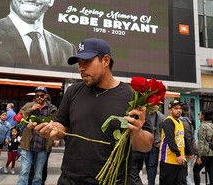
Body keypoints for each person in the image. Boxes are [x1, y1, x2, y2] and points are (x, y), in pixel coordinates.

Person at [34, 38, 153, 184]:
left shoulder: (131, 96)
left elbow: (146, 145)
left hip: (113, 181)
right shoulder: (72, 92)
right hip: (70, 180)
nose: (81, 69)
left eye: (86, 62)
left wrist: (137, 132)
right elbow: (61, 125)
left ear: (106, 60)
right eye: (79, 63)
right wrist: (51, 130)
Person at [17, 86, 58, 185]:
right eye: (37, 95)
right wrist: (31, 109)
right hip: (28, 144)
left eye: (41, 95)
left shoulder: (51, 109)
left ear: (46, 96)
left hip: (43, 145)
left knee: (38, 175)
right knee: (24, 172)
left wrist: (55, 138)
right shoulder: (28, 105)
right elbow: (18, 118)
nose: (39, 97)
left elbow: (56, 124)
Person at [159, 99, 187, 185]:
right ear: (170, 110)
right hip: (168, 160)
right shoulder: (168, 121)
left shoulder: (180, 122)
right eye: (176, 108)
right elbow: (170, 140)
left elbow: (183, 139)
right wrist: (178, 154)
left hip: (180, 160)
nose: (179, 110)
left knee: (182, 182)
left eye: (180, 108)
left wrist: (188, 153)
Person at [144, 109, 165, 185]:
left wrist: (160, 143)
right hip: (146, 143)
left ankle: (151, 183)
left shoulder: (161, 117)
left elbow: (163, 131)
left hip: (155, 144)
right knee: (147, 164)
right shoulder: (144, 114)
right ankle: (150, 180)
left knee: (152, 165)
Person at [193, 108, 213, 185]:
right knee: (210, 170)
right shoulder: (211, 125)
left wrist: (198, 156)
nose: (199, 115)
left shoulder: (203, 126)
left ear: (203, 116)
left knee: (196, 170)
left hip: (205, 153)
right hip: (212, 152)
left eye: (199, 114)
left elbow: (201, 142)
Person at [180, 104, 197, 185]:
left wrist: (190, 152)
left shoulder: (183, 121)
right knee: (187, 174)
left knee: (186, 174)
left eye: (179, 108)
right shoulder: (187, 121)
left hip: (187, 151)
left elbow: (188, 137)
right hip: (188, 150)